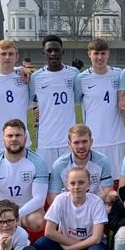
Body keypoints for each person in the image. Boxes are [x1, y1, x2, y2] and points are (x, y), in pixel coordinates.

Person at [0, 119, 49, 243]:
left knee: (39, 220)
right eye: (10, 135)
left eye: (18, 135)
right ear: (3, 139)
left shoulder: (38, 162)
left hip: (26, 209)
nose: (14, 139)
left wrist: (16, 215)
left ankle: (29, 243)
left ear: (25, 138)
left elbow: (39, 199)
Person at [35, 167, 112, 250]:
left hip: (89, 245)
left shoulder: (96, 202)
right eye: (72, 183)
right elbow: (49, 232)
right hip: (66, 242)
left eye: (81, 182)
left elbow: (96, 238)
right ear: (67, 185)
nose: (77, 187)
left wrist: (70, 248)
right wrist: (73, 244)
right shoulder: (60, 199)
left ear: (89, 184)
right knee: (41, 243)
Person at [76, 38, 125, 184]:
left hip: (117, 140)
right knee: (94, 184)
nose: (99, 57)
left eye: (103, 53)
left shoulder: (119, 74)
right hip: (94, 141)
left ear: (108, 54)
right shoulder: (81, 79)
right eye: (96, 53)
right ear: (89, 54)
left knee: (119, 182)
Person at [29, 35, 80, 168]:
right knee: (48, 180)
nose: (53, 54)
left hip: (69, 139)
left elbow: (78, 97)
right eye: (49, 50)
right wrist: (36, 109)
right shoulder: (36, 77)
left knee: (71, 180)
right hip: (46, 140)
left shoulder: (73, 73)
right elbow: (31, 100)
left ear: (62, 52)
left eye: (57, 50)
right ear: (43, 53)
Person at [0, 40, 31, 159]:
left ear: (17, 57)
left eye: (11, 54)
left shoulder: (27, 78)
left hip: (22, 142)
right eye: (3, 54)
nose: (7, 57)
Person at [48, 124, 116, 207]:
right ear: (69, 144)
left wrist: (87, 208)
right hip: (70, 207)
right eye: (76, 142)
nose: (81, 146)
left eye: (84, 141)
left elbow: (107, 191)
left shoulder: (103, 161)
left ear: (91, 142)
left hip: (96, 204)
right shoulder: (59, 165)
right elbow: (52, 196)